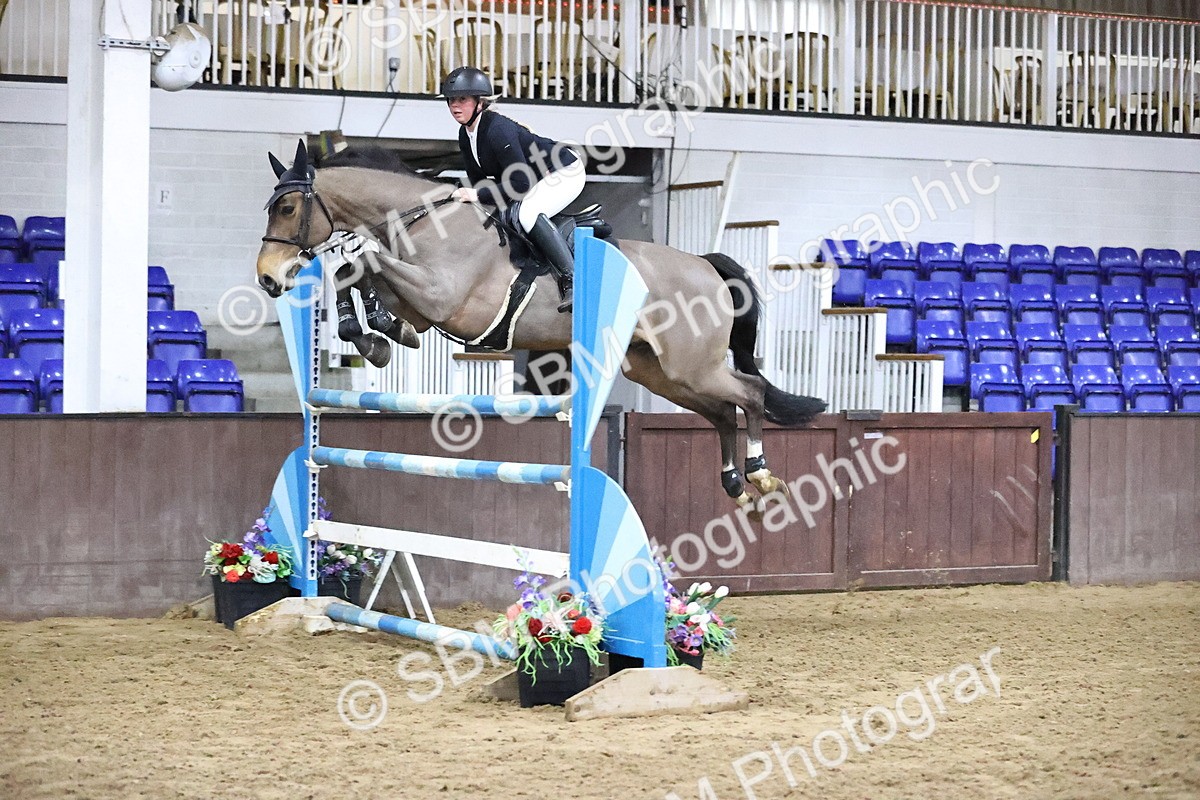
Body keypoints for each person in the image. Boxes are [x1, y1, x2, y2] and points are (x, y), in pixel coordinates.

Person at [441, 66, 585, 313]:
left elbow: (520, 184)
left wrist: (475, 194)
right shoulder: (465, 135)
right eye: (451, 100)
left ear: (480, 102)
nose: (455, 106)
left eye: (462, 99)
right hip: (534, 178)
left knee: (527, 214)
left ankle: (571, 280)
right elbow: (479, 183)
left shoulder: (498, 129)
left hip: (563, 171)